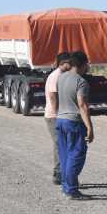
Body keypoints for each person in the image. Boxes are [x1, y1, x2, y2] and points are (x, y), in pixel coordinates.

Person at [52, 51, 94, 199]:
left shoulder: (61, 78)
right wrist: (89, 127)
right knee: (76, 155)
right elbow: (82, 105)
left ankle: (66, 187)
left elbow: (56, 98)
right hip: (74, 122)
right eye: (87, 63)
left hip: (60, 120)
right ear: (82, 64)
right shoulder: (81, 81)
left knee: (64, 155)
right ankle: (71, 190)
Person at [43, 52, 72, 185]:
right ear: (62, 63)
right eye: (69, 63)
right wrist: (57, 114)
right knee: (59, 144)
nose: (71, 65)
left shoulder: (61, 75)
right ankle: (58, 174)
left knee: (62, 144)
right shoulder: (56, 76)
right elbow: (53, 96)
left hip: (57, 115)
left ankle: (63, 173)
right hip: (53, 116)